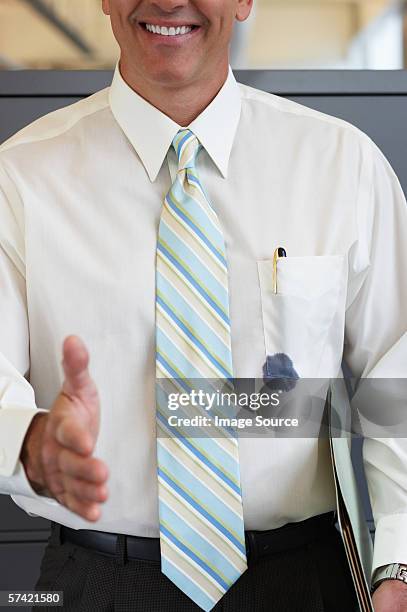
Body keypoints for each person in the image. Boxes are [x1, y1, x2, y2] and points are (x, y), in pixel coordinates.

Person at [0, 0, 406, 610]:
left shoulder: (341, 165)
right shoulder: (20, 178)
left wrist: (398, 567)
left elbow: (396, 377)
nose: (168, 2)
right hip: (96, 579)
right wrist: (30, 446)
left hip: (305, 579)